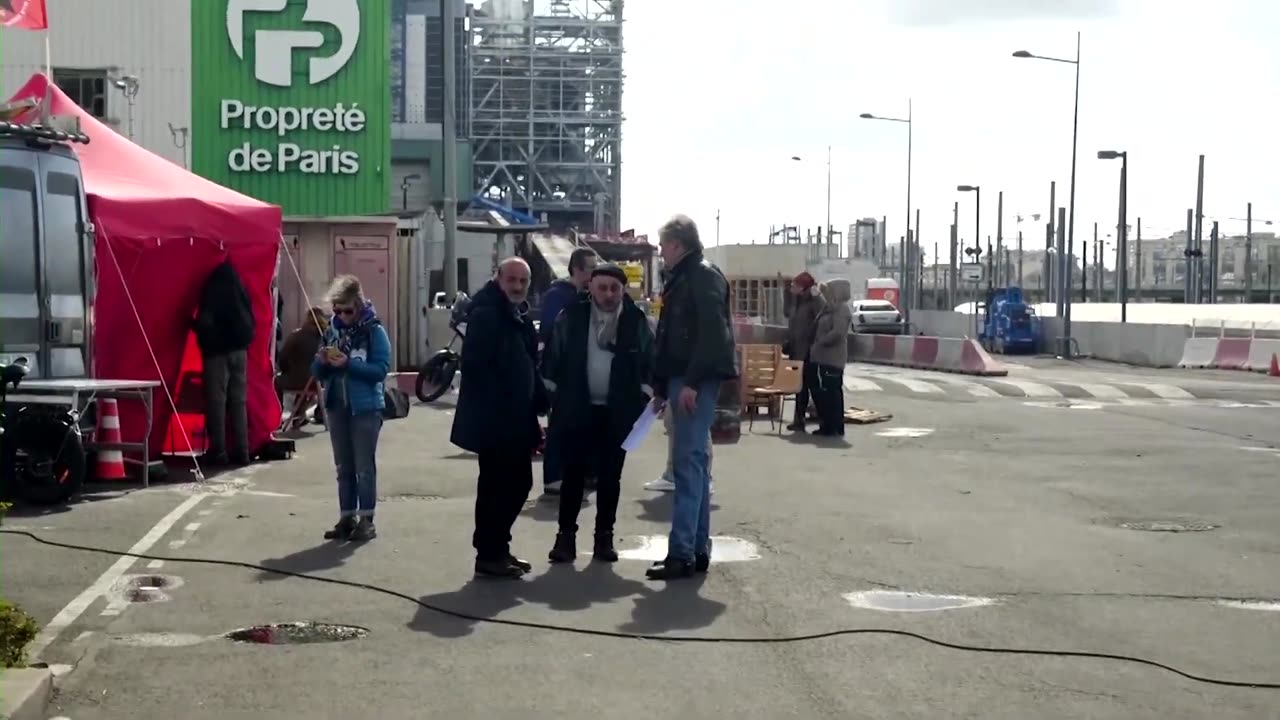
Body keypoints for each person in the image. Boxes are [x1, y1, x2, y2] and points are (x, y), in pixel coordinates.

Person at [542, 264, 654, 563]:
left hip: (618, 412)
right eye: (602, 288)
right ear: (590, 287)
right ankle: (565, 539)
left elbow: (649, 361)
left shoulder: (635, 320)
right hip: (578, 408)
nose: (608, 294)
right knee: (573, 475)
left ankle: (604, 538)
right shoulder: (573, 317)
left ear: (623, 290)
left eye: (614, 288)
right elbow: (553, 358)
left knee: (609, 478)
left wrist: (643, 396)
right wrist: (553, 399)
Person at [647, 215, 737, 581]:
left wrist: (692, 383)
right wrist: (660, 386)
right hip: (684, 377)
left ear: (677, 245)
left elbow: (713, 333)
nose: (660, 252)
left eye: (663, 245)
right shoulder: (689, 276)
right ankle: (695, 549)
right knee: (693, 465)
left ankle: (682, 552)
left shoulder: (699, 276)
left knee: (688, 465)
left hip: (691, 379)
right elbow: (675, 337)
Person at [450, 257, 548, 579]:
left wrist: (537, 397)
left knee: (516, 483)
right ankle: (490, 553)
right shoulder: (488, 314)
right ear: (498, 278)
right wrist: (506, 398)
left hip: (515, 416)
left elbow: (526, 362)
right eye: (512, 280)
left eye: (523, 281)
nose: (518, 286)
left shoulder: (513, 313)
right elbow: (477, 365)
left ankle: (498, 548)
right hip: (496, 419)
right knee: (499, 485)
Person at [311, 276, 391, 542]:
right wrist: (322, 361)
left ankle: (367, 520)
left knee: (363, 466)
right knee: (343, 465)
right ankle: (347, 517)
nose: (342, 316)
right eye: (337, 310)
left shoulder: (373, 331)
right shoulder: (332, 331)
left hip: (366, 407)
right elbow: (317, 372)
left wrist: (348, 365)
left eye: (347, 310)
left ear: (359, 305)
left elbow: (380, 370)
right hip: (337, 404)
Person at [539, 248, 598, 497]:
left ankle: (583, 473)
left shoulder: (587, 296)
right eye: (591, 269)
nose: (594, 274)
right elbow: (550, 332)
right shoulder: (558, 296)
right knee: (560, 424)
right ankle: (554, 477)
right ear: (577, 269)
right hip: (562, 371)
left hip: (584, 370)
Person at [193, 259, 255, 466]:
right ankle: (243, 451)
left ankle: (219, 451)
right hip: (240, 351)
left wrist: (196, 330)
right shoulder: (240, 289)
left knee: (216, 402)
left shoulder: (212, 289)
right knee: (239, 402)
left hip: (217, 353)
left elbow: (205, 322)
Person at [808, 278, 853, 437]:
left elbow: (838, 332)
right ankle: (830, 424)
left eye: (828, 291)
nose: (826, 295)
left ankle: (831, 426)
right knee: (825, 391)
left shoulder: (841, 310)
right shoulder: (829, 308)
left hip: (832, 357)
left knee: (831, 392)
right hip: (822, 356)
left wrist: (821, 341)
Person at [784, 272, 826, 432]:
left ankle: (823, 420)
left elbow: (823, 313)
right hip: (796, 350)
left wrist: (818, 297)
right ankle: (799, 420)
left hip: (809, 351)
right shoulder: (797, 301)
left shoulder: (813, 301)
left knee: (813, 387)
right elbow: (789, 318)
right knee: (799, 387)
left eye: (794, 285)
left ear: (803, 287)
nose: (791, 288)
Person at [277, 307, 329, 424]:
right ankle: (309, 412)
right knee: (311, 382)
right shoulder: (326, 337)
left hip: (298, 380)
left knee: (275, 382)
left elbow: (283, 359)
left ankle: (277, 414)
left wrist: (285, 370)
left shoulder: (296, 336)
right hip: (320, 381)